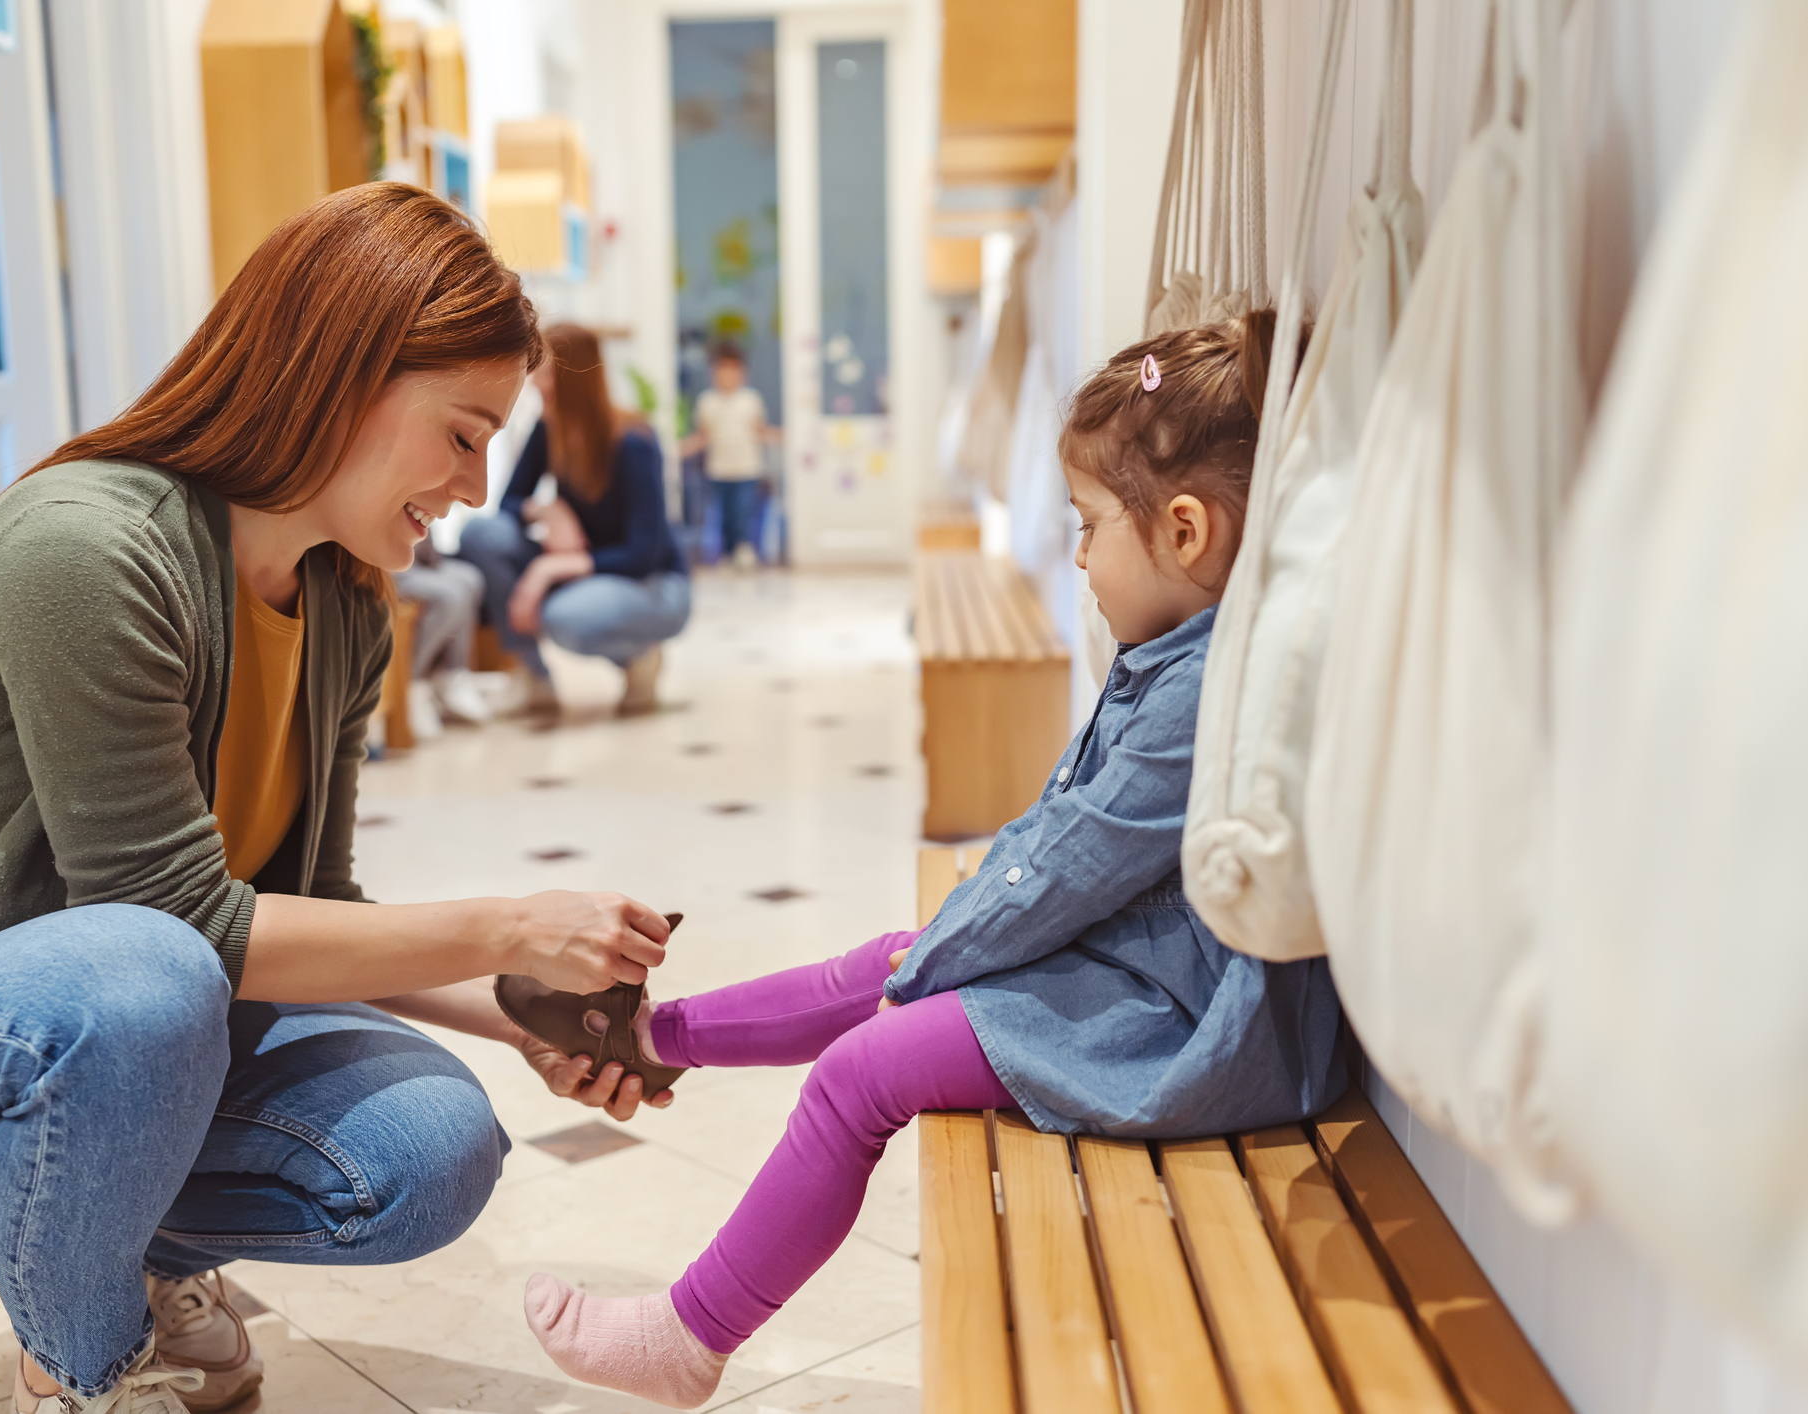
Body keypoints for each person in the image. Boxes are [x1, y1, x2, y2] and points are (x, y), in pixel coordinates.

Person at [0, 185, 679, 1414]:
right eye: (462, 430)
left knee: (430, 1146)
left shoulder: (341, 604)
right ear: (346, 374)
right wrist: (506, 923)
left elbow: (311, 909)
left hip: (113, 1026)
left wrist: (527, 1014)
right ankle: (80, 1368)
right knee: (151, 971)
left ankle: (145, 1259)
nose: (479, 482)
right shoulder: (86, 548)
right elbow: (171, 917)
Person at [511, 313, 1347, 1408]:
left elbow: (1067, 869)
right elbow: (1066, 848)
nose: (1081, 553)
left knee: (868, 1065)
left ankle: (689, 1337)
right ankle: (651, 1037)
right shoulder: (1179, 652)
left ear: (1187, 532)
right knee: (889, 962)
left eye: (1090, 525)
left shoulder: (1196, 694)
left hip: (1185, 1028)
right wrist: (938, 947)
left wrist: (940, 958)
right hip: (1152, 974)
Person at [456, 324, 690, 718]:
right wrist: (548, 510)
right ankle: (535, 677)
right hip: (585, 571)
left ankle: (638, 655)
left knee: (565, 618)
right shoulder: (550, 430)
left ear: (573, 380)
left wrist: (548, 569)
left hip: (652, 583)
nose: (532, 385)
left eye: (543, 374)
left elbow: (642, 554)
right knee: (482, 534)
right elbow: (510, 503)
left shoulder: (633, 441)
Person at [681, 343, 778, 569]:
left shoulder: (751, 400)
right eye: (722, 370)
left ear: (742, 373)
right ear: (713, 373)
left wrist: (784, 436)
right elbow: (702, 436)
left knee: (743, 512)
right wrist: (680, 449)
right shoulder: (707, 402)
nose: (727, 376)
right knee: (724, 514)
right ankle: (726, 552)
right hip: (719, 469)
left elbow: (760, 430)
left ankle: (743, 550)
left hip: (747, 468)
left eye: (733, 370)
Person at [396, 539, 494, 727]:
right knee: (451, 596)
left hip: (418, 560)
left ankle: (452, 675)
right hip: (391, 567)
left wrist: (430, 558)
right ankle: (413, 681)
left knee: (471, 579)